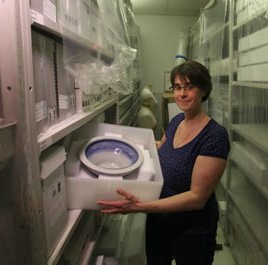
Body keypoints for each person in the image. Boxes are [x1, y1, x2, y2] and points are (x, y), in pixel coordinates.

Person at [98, 60, 230, 265]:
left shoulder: (214, 136)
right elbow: (162, 147)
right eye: (178, 87)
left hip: (191, 230)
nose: (182, 94)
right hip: (159, 222)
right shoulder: (177, 121)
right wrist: (129, 146)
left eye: (189, 87)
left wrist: (142, 206)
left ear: (203, 90)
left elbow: (197, 198)